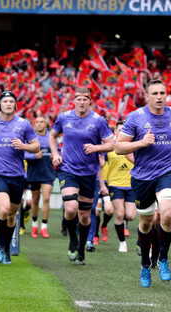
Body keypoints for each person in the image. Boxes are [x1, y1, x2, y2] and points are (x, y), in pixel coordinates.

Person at [115, 79, 171, 288]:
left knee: (166, 213)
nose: (159, 97)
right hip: (142, 176)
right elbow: (119, 147)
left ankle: (162, 258)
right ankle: (145, 264)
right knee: (146, 222)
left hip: (168, 171)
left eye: (162, 93)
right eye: (154, 93)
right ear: (146, 97)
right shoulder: (135, 117)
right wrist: (141, 143)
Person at [49, 87, 114, 265]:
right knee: (70, 208)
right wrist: (55, 154)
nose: (82, 102)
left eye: (85, 98)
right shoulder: (64, 117)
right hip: (68, 169)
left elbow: (111, 144)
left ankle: (81, 250)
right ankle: (72, 240)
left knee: (85, 215)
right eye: (79, 98)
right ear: (74, 100)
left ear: (90, 101)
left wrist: (96, 148)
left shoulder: (98, 121)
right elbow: (53, 136)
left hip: (89, 172)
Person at [0, 91, 40, 265]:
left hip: (17, 176)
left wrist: (23, 146)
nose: (8, 104)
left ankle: (6, 248)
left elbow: (36, 146)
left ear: (15, 105)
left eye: (11, 101)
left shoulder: (24, 124)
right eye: (5, 101)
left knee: (12, 215)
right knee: (4, 209)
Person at [104, 121, 136, 252]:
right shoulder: (111, 147)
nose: (122, 131)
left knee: (131, 215)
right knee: (119, 213)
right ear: (115, 132)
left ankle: (124, 224)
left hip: (131, 184)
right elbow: (104, 167)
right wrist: (104, 185)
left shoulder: (134, 145)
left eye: (125, 129)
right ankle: (122, 242)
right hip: (115, 184)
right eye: (120, 130)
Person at [25, 116, 56, 239]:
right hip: (34, 173)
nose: (39, 124)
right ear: (34, 124)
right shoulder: (30, 138)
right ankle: (34, 225)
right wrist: (33, 156)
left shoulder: (51, 137)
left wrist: (55, 155)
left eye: (41, 121)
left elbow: (58, 150)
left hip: (47, 173)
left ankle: (44, 227)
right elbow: (23, 153)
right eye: (36, 122)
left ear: (45, 123)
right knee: (35, 199)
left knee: (47, 198)